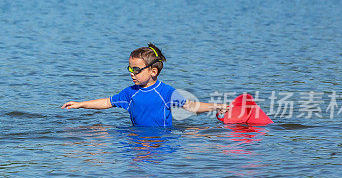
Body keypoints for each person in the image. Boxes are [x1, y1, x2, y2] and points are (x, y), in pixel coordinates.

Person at [61, 43, 228, 127]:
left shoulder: (166, 92)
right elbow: (107, 103)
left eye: (136, 70)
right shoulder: (129, 93)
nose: (132, 73)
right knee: (99, 133)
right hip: (135, 139)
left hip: (161, 140)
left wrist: (217, 106)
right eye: (130, 68)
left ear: (153, 72)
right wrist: (80, 104)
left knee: (194, 134)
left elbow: (191, 106)